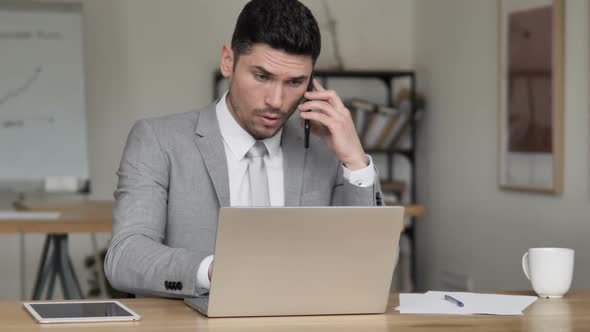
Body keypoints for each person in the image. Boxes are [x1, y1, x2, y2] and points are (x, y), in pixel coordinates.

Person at [104, 0, 382, 298]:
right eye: (262, 76)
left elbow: (374, 267)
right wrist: (213, 271)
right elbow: (125, 256)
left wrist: (355, 161)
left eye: (294, 82)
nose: (276, 100)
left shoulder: (324, 148)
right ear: (228, 61)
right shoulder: (158, 141)